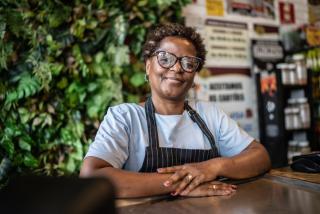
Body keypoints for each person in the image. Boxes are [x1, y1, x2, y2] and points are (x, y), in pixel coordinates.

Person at [80, 23, 271, 198]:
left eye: (188, 63)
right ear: (148, 66)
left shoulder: (210, 115)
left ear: (194, 74)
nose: (177, 68)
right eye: (165, 59)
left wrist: (213, 166)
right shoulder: (125, 117)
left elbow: (259, 156)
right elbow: (92, 177)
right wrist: (182, 183)